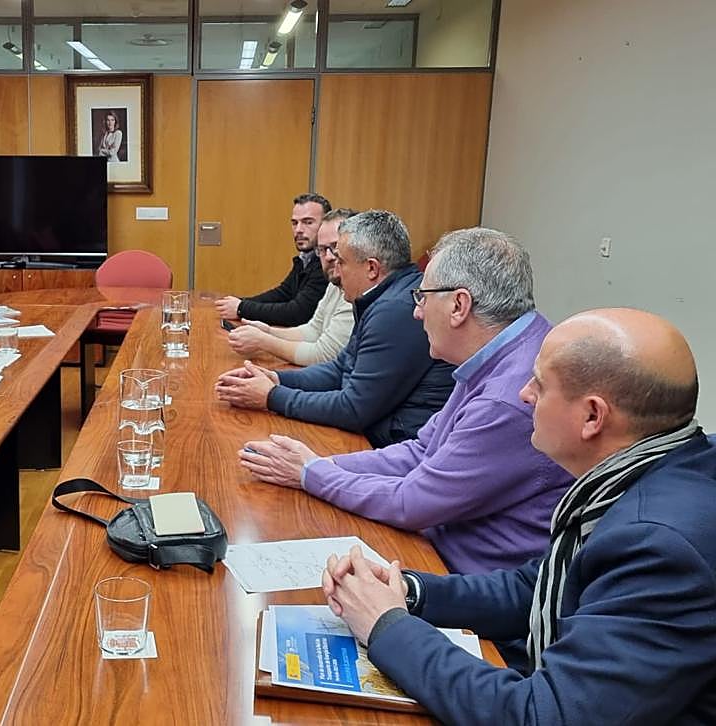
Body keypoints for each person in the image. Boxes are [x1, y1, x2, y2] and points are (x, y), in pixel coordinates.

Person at [323, 308, 716, 723]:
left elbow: (544, 716)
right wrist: (410, 591)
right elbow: (539, 584)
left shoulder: (660, 544)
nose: (524, 394)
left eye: (540, 384)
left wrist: (385, 625)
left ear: (592, 416)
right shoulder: (651, 471)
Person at [240, 228, 572, 574]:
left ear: (459, 306)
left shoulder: (507, 397)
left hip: (459, 572)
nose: (416, 312)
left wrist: (312, 473)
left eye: (423, 297)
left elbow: (413, 502)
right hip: (441, 541)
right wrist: (323, 465)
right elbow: (422, 450)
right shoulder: (502, 350)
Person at [216, 210, 454, 447]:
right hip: (379, 433)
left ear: (372, 268)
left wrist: (271, 396)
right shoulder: (382, 297)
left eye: (341, 261)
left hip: (396, 445)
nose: (336, 272)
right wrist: (277, 379)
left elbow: (354, 409)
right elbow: (340, 369)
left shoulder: (395, 310)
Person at [227, 208, 355, 366]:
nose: (328, 256)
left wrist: (263, 341)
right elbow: (313, 330)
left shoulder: (357, 290)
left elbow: (324, 355)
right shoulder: (335, 281)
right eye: (322, 249)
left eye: (335, 247)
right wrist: (268, 331)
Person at [214, 193, 332, 327]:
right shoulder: (306, 258)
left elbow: (297, 313)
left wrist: (242, 308)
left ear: (325, 225)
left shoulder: (328, 263)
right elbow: (283, 293)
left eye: (308, 222)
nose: (298, 230)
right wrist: (240, 303)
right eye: (294, 223)